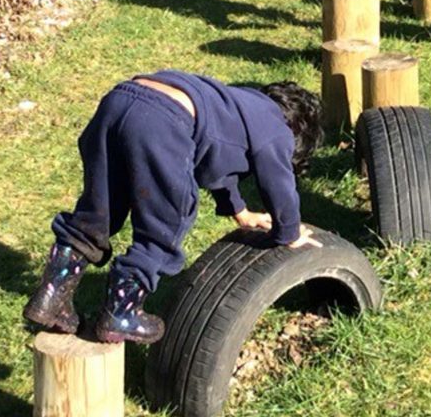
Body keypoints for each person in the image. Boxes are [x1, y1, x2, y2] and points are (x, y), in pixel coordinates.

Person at [23, 72, 324, 344]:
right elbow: (278, 183)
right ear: (298, 133)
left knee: (98, 211)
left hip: (120, 100)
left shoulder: (241, 104)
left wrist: (240, 211)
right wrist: (289, 231)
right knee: (166, 221)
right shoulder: (278, 129)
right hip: (162, 120)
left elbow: (218, 163)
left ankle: (51, 298)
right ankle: (120, 314)